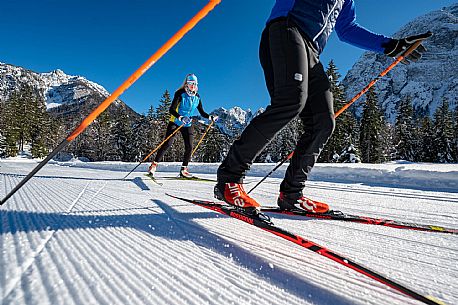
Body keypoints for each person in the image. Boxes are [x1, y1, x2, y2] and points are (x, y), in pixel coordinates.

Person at [214, 0, 431, 214]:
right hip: (286, 30)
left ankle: (292, 194)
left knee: (323, 121)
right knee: (290, 103)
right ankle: (229, 179)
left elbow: (347, 29)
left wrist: (390, 45)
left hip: (311, 51)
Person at [148, 74, 218, 178]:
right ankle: (153, 165)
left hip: (187, 124)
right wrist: (180, 117)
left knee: (189, 147)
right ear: (186, 84)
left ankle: (183, 169)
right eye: (190, 83)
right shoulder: (180, 93)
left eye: (194, 84)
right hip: (175, 122)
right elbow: (171, 109)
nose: (193, 86)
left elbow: (202, 112)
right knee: (168, 143)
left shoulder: (197, 97)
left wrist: (210, 117)